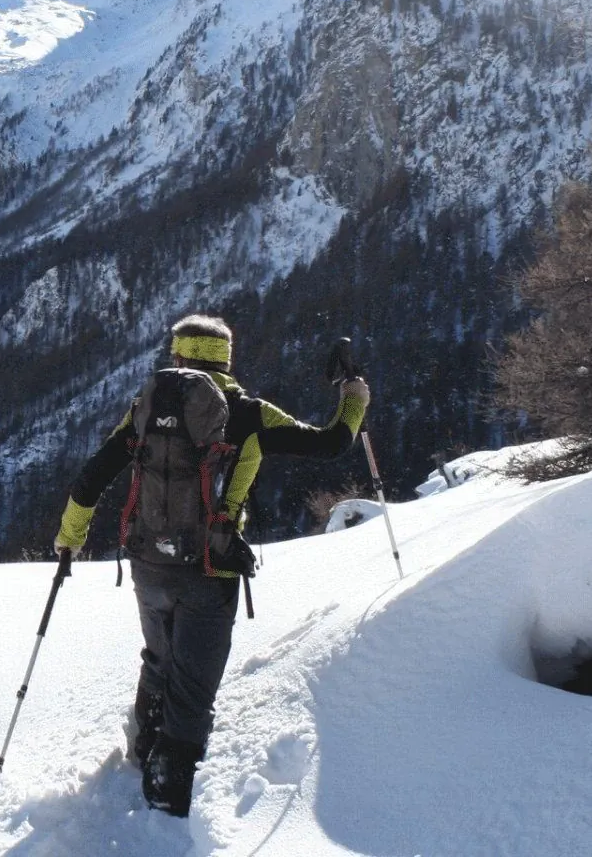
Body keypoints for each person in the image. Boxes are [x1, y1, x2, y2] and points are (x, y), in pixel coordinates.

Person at [52, 314, 370, 816]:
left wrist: (70, 538)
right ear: (225, 358)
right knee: (194, 685)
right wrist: (354, 398)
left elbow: (93, 476)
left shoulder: (145, 407)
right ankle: (164, 802)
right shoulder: (248, 414)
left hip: (147, 564)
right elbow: (331, 443)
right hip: (210, 567)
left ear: (177, 355)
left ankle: (143, 749)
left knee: (158, 659)